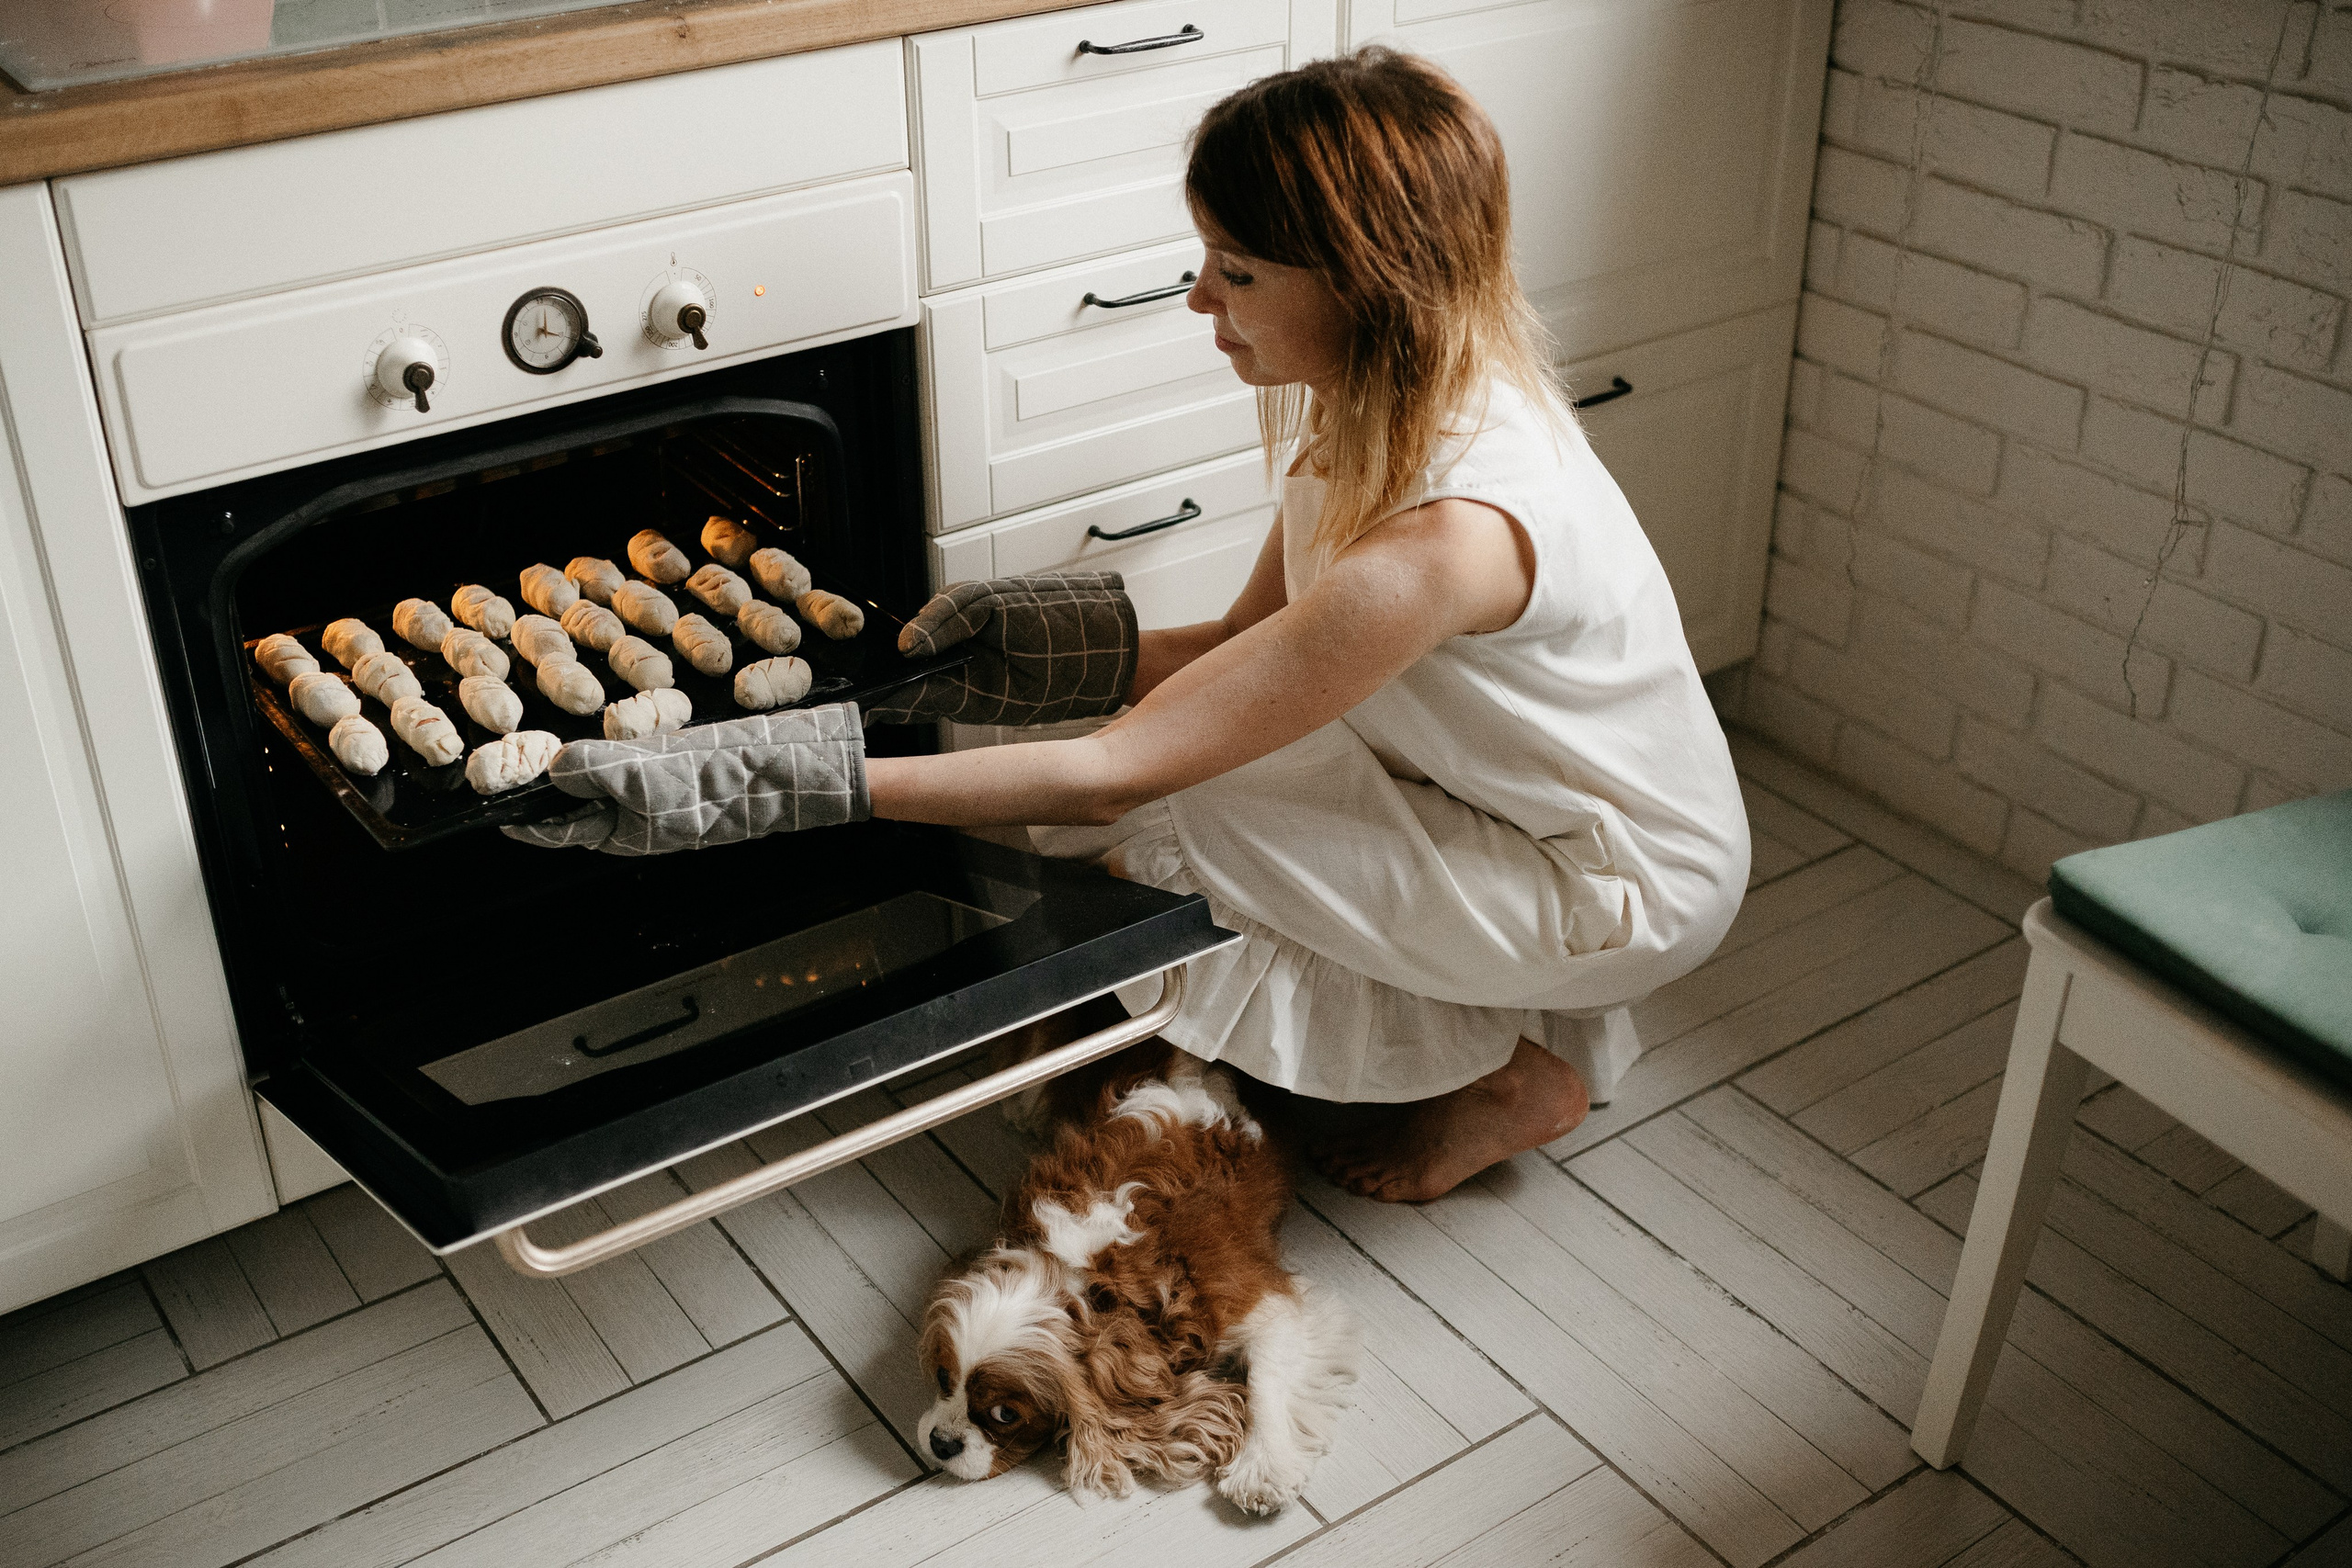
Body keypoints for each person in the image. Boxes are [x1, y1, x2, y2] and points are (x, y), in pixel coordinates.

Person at [513, 47, 1750, 1203]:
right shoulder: (1382, 400)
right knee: (1131, 762)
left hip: (1608, 882)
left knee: (1168, 819)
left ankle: (1504, 1081)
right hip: (1499, 797)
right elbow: (1236, 647)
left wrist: (761, 783)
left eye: (1240, 272)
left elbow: (1117, 774)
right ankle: (1461, 1031)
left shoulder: (1444, 542)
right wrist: (990, 666)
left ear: (1370, 282)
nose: (1200, 295)